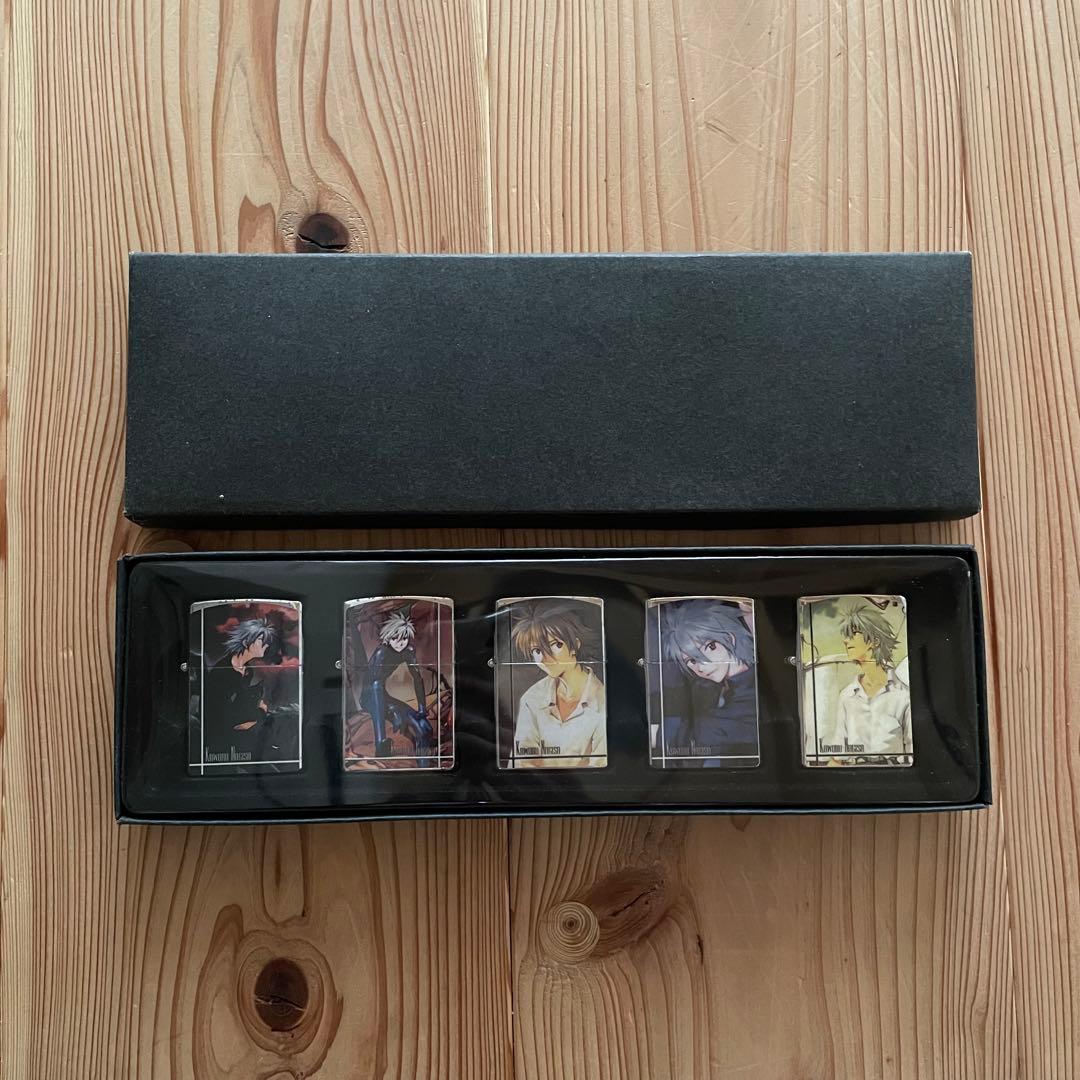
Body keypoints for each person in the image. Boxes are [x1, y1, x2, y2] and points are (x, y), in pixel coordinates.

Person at [658, 599, 758, 765]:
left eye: (710, 648)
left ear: (730, 638)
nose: (701, 667)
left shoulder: (752, 690)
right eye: (691, 661)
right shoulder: (707, 687)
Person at [510, 600, 606, 768]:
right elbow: (522, 764)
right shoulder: (531, 699)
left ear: (575, 645)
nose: (544, 658)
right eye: (537, 651)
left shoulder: (603, 701)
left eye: (556, 645)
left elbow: (601, 770)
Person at [200, 616, 298, 762]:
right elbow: (219, 715)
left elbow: (240, 704)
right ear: (246, 642)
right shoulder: (222, 672)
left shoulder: (247, 670)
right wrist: (259, 713)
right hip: (224, 738)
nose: (266, 645)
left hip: (244, 728)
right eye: (261, 640)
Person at [832, 602, 911, 756]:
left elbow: (913, 752)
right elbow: (838, 756)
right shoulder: (846, 696)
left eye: (854, 633)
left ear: (875, 641)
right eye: (846, 635)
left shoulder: (904, 696)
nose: (845, 641)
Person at [359, 609, 433, 761]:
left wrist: (422, 707)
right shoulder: (382, 652)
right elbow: (373, 683)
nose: (400, 643)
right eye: (395, 638)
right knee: (376, 686)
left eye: (404, 638)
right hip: (369, 698)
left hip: (384, 697)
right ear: (388, 638)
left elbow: (417, 679)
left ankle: (424, 765)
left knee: (423, 727)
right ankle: (381, 743)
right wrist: (391, 711)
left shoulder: (408, 651)